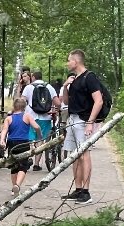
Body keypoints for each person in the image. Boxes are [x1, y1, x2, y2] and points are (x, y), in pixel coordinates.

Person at [62, 49, 104, 204]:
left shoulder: (89, 77)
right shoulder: (74, 79)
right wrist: (66, 87)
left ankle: (86, 192)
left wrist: (90, 122)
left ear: (76, 61)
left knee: (84, 154)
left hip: (83, 120)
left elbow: (98, 101)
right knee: (75, 155)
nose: (67, 63)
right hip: (72, 119)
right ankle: (78, 189)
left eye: (69, 60)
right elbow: (65, 103)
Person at [0, 98, 42, 196]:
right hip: (23, 143)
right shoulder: (27, 116)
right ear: (24, 107)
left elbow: (4, 131)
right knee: (23, 165)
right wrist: (39, 136)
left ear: (14, 106)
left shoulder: (9, 118)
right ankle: (17, 185)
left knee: (13, 166)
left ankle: (14, 188)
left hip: (12, 143)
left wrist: (2, 140)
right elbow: (37, 127)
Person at [21, 70, 60, 171]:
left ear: (33, 77)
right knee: (41, 139)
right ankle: (36, 164)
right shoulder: (49, 87)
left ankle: (29, 156)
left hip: (30, 117)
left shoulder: (28, 87)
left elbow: (22, 101)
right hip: (45, 117)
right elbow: (57, 102)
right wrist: (56, 109)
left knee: (30, 138)